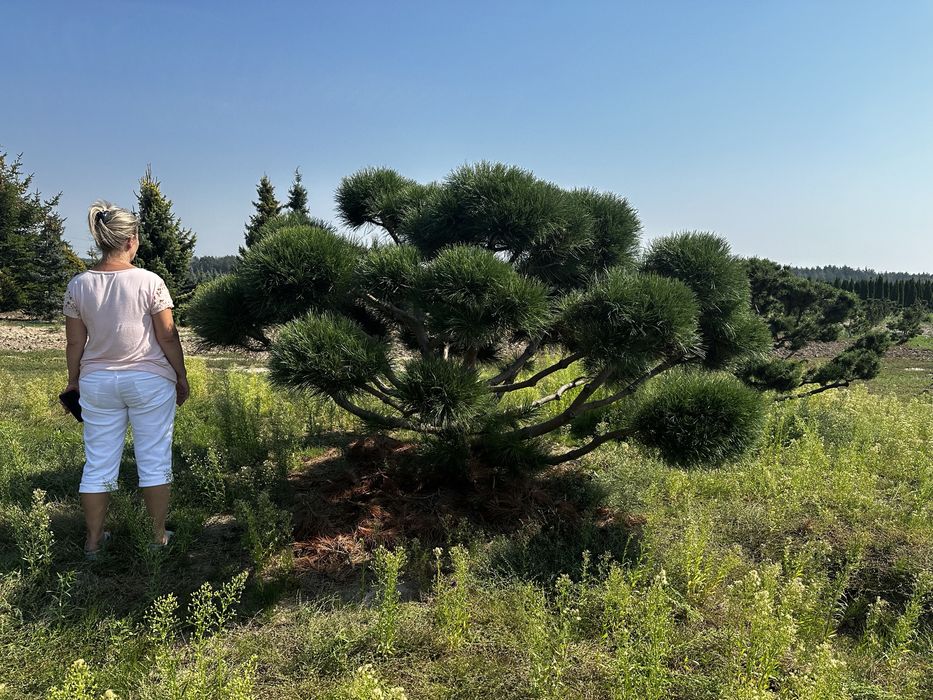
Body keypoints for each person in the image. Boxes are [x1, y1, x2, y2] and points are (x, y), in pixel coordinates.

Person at [63, 200, 189, 559]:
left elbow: (75, 342)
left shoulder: (78, 285)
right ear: (131, 240)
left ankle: (93, 542)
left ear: (101, 240)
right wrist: (181, 376)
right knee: (154, 458)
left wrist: (74, 380)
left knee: (98, 461)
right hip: (150, 380)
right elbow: (168, 336)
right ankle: (157, 536)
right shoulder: (150, 281)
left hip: (97, 382)